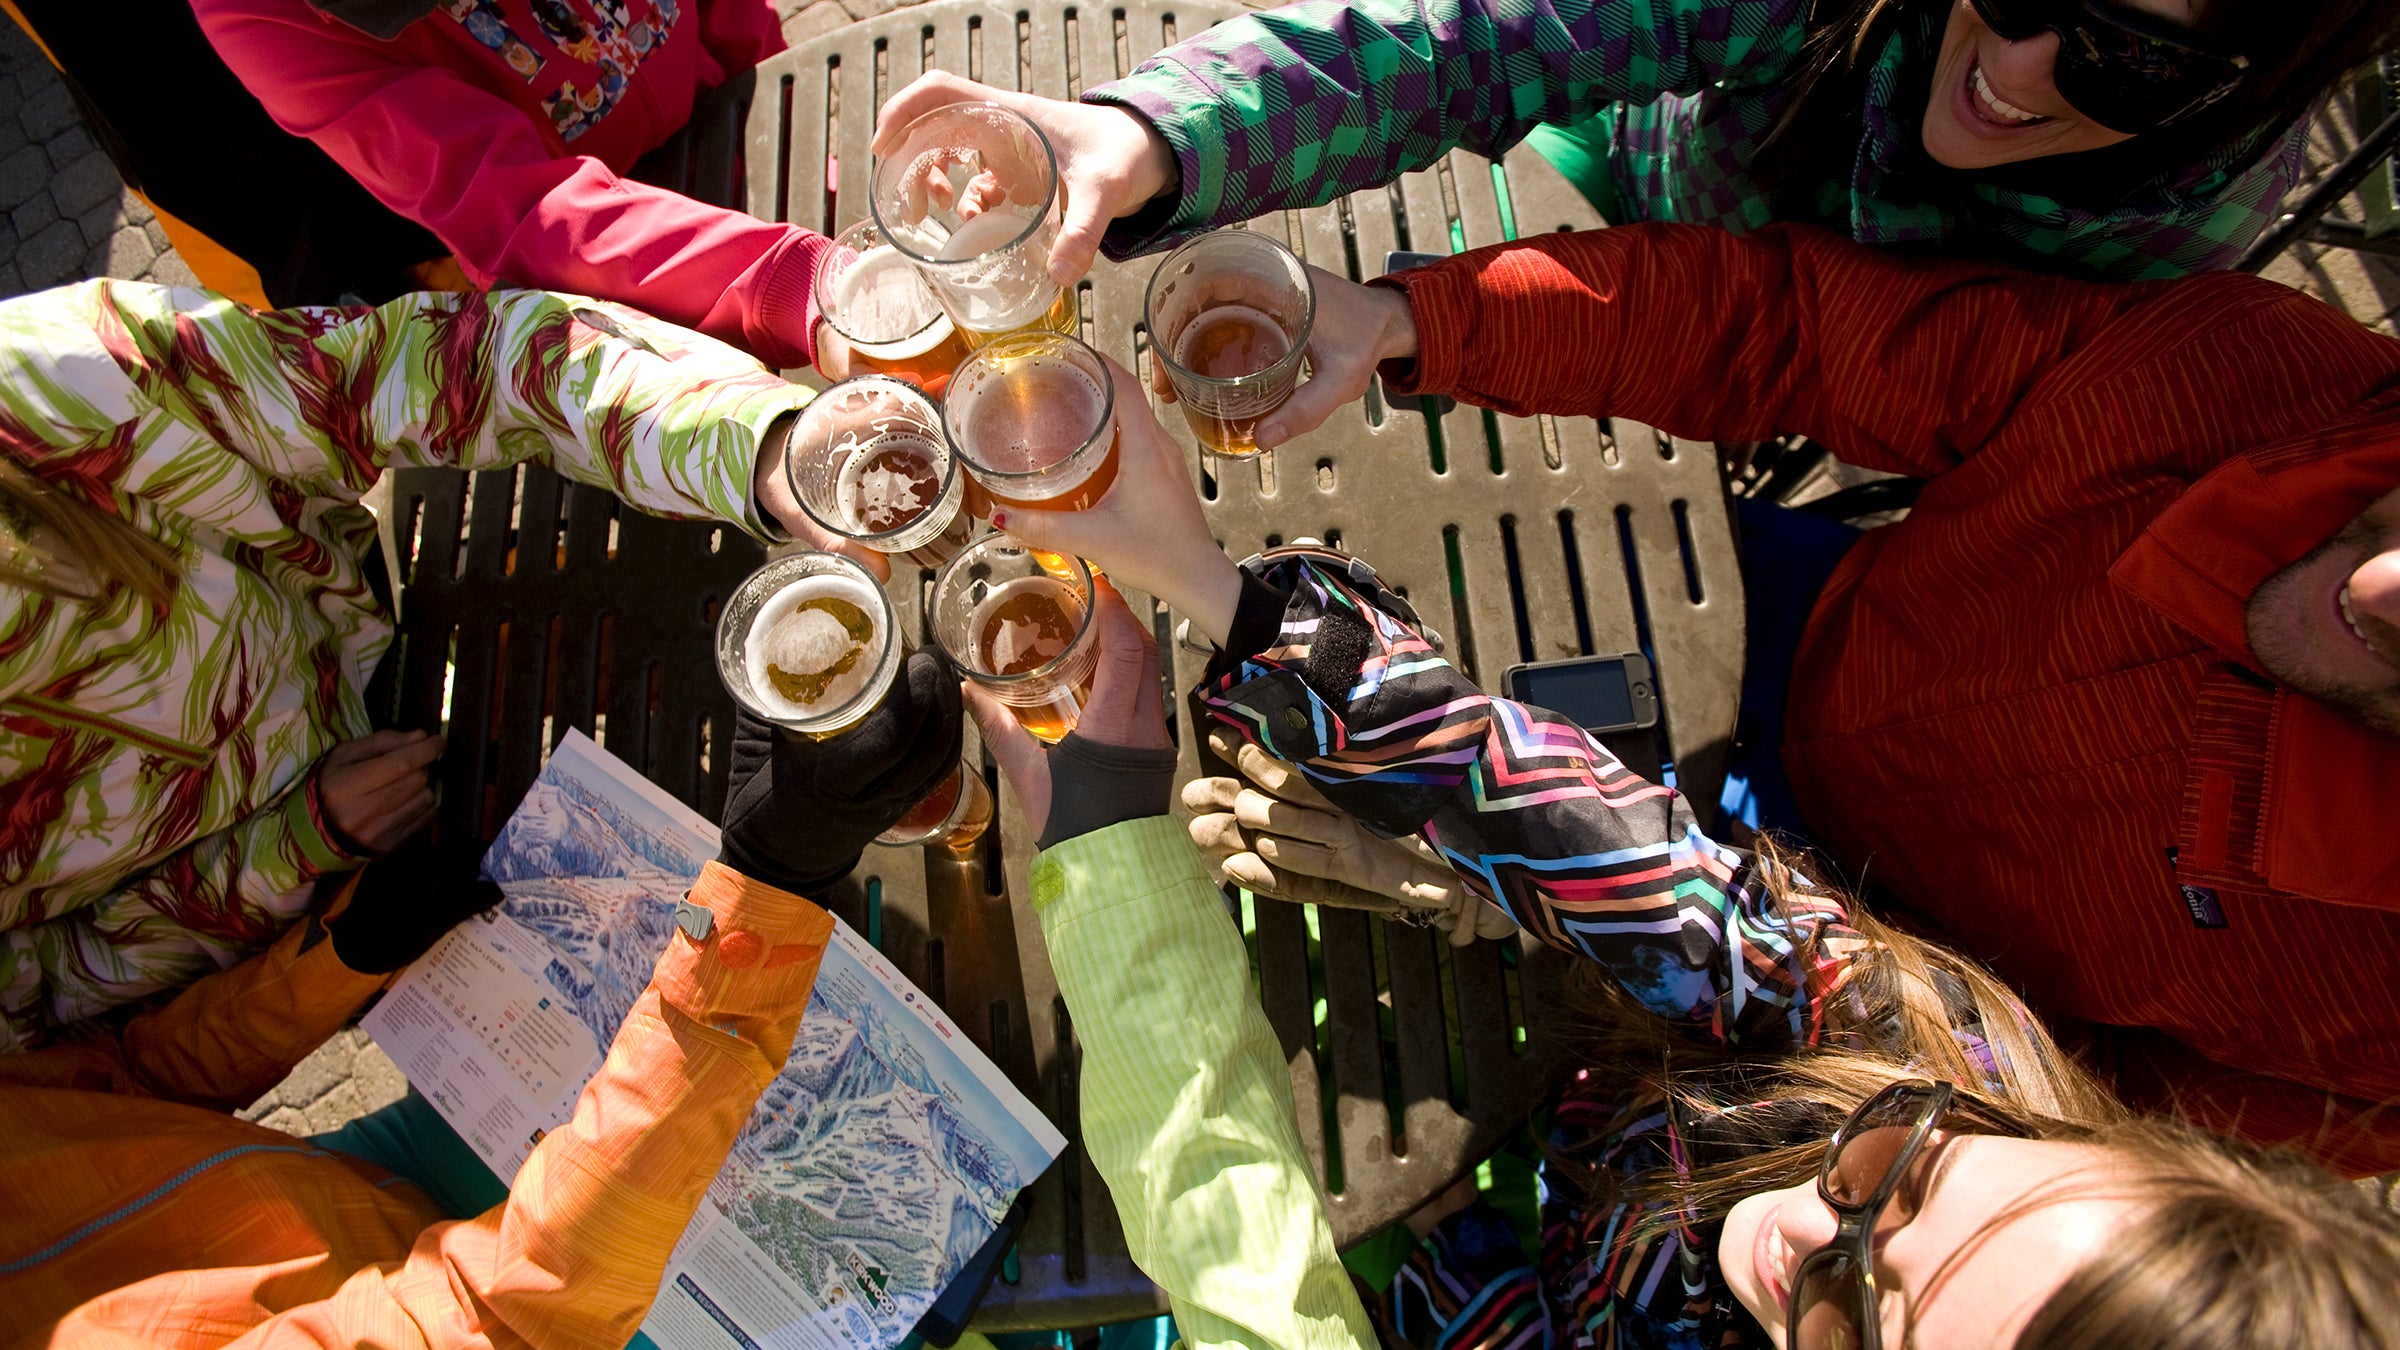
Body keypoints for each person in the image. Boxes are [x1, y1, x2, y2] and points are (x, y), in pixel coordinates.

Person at [974, 372, 2400, 1348]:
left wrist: (1445, 1253)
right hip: (1553, 1146)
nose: (1810, 1228)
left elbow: (1267, 1296)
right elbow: (1664, 880)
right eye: (1898, 1177)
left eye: (1856, 1322)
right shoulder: (1963, 1074)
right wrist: (1229, 598)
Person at [1021, 220, 2400, 1174]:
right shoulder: (2277, 382)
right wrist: (1406, 318)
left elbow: (2068, 1123)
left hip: (1852, 967)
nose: (2388, 588)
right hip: (1784, 617)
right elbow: (1792, 330)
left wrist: (1514, 904)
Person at [0, 277, 879, 1056]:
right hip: (326, 907)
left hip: (382, 628)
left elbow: (438, 365)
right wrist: (287, 852)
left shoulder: (54, 386)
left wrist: (749, 445)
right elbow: (49, 1002)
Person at [876, 0, 2400, 446]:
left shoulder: (2188, 233)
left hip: (1774, 400)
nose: (2015, 71)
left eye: (2132, 59)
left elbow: (1863, 367)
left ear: (2254, 91)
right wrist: (1160, 134)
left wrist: (1432, 317)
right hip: (1639, 192)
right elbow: (1472, 37)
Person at [0, 660, 960, 1345]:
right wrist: (758, 900)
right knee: (940, 1280)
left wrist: (332, 963)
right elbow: (497, 1319)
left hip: (342, 1187)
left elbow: (117, 1082)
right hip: (497, 1309)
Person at [190, 0, 838, 370]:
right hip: (610, 281)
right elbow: (517, 208)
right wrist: (794, 284)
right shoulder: (257, 12)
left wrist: (778, 94)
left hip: (733, 119)